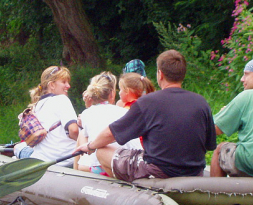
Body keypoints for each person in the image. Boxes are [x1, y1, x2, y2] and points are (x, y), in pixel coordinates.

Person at [76, 50, 216, 182]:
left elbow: (110, 133)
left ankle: (126, 192)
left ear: (160, 74)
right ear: (183, 74)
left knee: (102, 151)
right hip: (194, 171)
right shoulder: (201, 103)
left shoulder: (147, 103)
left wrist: (90, 146)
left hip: (158, 172)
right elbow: (210, 145)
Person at [74, 72, 141, 174]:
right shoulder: (124, 112)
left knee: (82, 134)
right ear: (112, 94)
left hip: (103, 165)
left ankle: (74, 174)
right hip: (128, 162)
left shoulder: (87, 113)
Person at [15, 66, 79, 167]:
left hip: (42, 160)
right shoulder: (62, 100)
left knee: (18, 147)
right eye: (64, 82)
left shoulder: (36, 105)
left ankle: (17, 158)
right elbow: (74, 131)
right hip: (66, 161)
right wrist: (88, 144)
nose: (68, 86)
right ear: (52, 85)